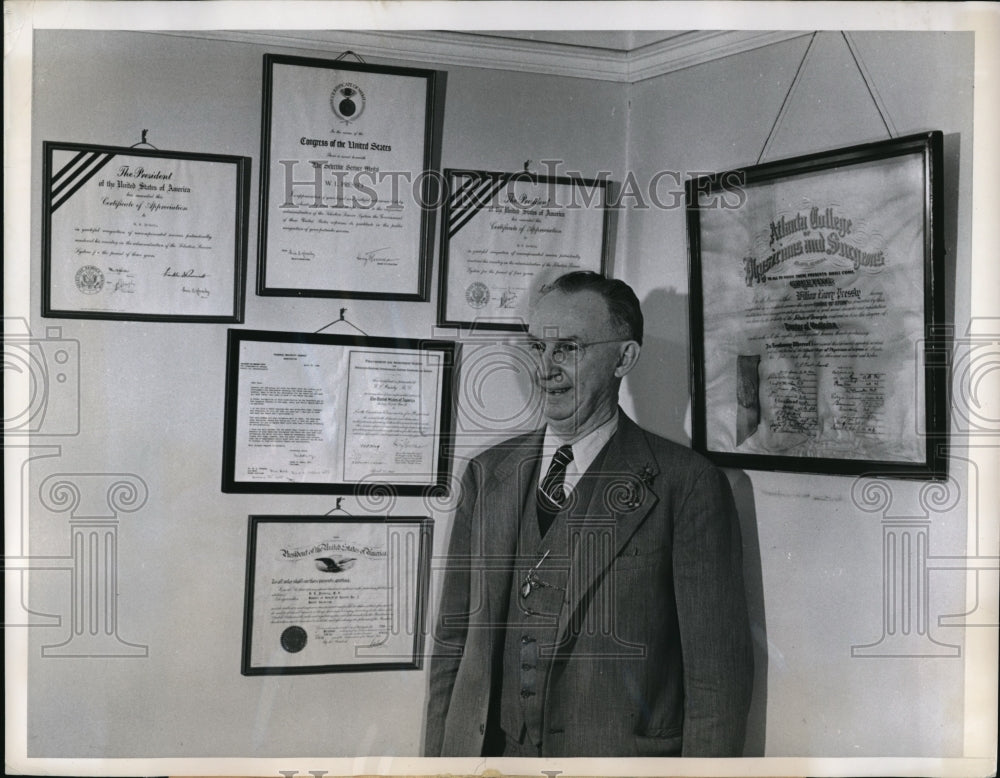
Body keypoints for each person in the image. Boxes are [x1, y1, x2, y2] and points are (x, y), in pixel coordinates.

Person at [424, 271, 753, 758]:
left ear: (625, 358)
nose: (546, 370)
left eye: (569, 349)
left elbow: (716, 682)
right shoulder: (487, 474)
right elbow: (453, 643)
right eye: (538, 348)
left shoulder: (689, 485)